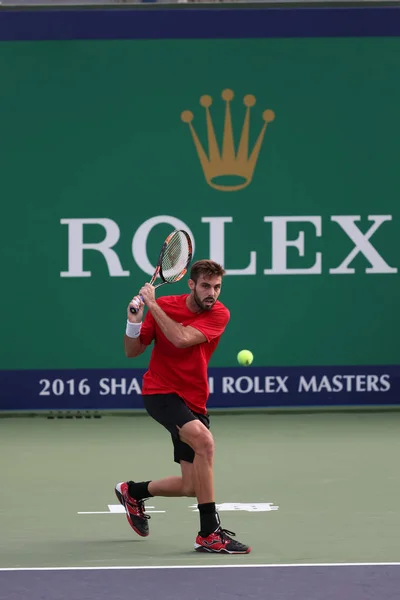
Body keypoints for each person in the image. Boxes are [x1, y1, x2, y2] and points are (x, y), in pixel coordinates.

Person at [115, 259, 251, 554]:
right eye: (205, 286)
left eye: (217, 287)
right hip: (160, 392)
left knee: (192, 486)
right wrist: (134, 321)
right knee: (205, 442)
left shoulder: (219, 313)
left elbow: (181, 338)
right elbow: (132, 351)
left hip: (193, 399)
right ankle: (209, 533)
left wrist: (153, 305)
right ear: (191, 285)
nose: (211, 293)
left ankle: (133, 492)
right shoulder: (166, 305)